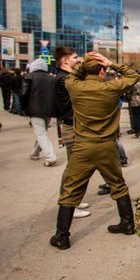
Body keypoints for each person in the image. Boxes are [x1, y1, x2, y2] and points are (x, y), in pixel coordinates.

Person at [50, 52, 138, 250]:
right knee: (118, 185)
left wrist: (85, 61)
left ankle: (61, 236)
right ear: (101, 71)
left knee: (70, 190)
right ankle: (128, 224)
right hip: (107, 146)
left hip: (83, 147)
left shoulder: (75, 86)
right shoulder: (111, 88)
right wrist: (110, 63)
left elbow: (72, 75)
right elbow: (133, 77)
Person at [53, 47, 90, 218]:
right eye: (75, 57)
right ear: (65, 60)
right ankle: (68, 204)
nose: (79, 60)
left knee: (77, 168)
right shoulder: (64, 80)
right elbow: (72, 105)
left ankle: (72, 201)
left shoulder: (66, 78)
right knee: (73, 170)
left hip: (75, 126)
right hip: (73, 127)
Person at [22, 59, 58, 167]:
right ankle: (35, 153)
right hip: (49, 110)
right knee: (42, 132)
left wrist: (24, 109)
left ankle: (51, 156)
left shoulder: (28, 77)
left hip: (34, 109)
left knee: (41, 133)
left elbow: (24, 94)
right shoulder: (52, 78)